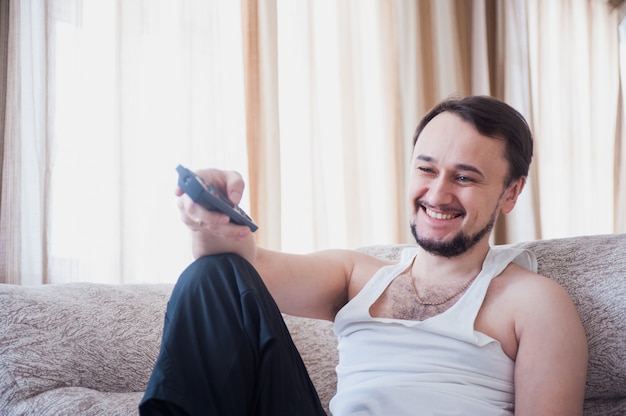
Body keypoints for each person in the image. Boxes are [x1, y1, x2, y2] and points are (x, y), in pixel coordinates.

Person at [139, 96, 588, 415]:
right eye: (426, 169)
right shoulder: (355, 275)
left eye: (465, 178)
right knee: (208, 275)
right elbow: (232, 271)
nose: (437, 193)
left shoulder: (535, 302)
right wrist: (209, 216)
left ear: (510, 193)